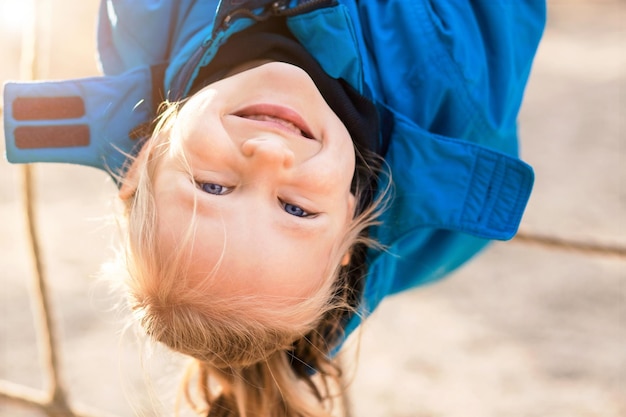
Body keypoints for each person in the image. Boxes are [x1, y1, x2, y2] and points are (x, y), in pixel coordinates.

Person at [3, 0, 546, 415]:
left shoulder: (147, 28)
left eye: (212, 187)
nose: (267, 156)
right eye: (295, 209)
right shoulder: (454, 79)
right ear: (350, 227)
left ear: (142, 163)